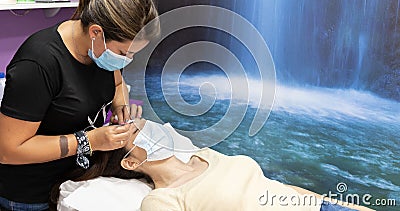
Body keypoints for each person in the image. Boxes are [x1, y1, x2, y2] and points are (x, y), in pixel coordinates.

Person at [0, 0, 159, 211]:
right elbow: (8, 150)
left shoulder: (100, 53)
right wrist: (91, 141)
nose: (126, 61)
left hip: (74, 181)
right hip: (30, 195)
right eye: (123, 53)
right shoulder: (38, 64)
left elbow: (116, 81)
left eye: (133, 55)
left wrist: (120, 104)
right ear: (96, 32)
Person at [53, 119, 374, 211]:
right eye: (138, 131)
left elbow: (277, 189)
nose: (150, 127)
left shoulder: (206, 154)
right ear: (132, 161)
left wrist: (337, 204)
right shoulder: (161, 199)